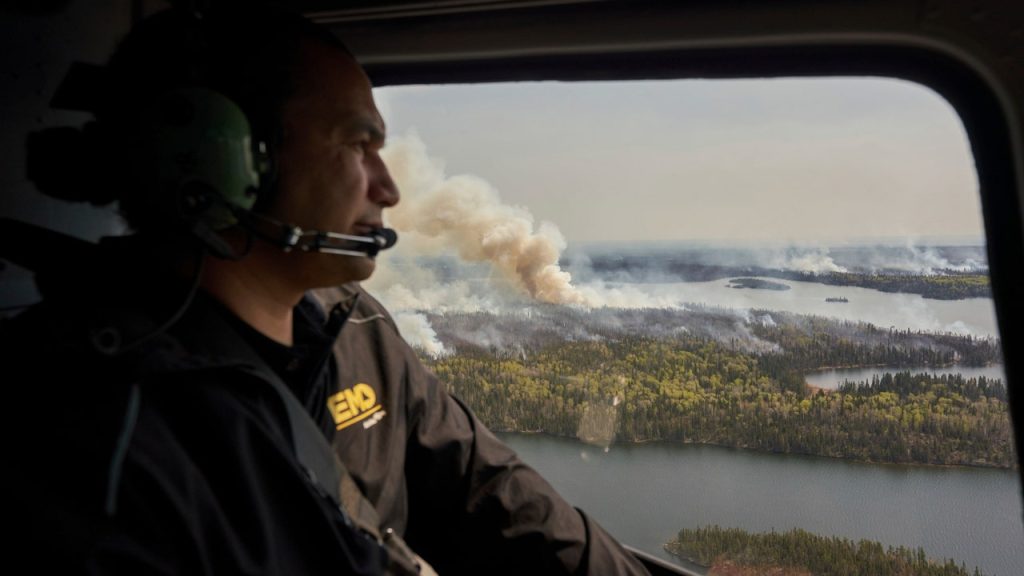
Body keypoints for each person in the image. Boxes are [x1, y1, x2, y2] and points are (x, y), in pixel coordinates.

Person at [10, 3, 648, 574]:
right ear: (230, 163)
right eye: (358, 144)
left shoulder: (356, 327)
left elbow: (492, 490)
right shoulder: (94, 439)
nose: (389, 189)